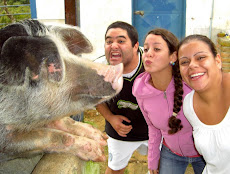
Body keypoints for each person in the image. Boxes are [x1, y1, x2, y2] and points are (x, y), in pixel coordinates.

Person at [132, 28, 206, 174]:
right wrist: (152, 160)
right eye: (145, 49)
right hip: (172, 154)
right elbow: (153, 128)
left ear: (173, 57)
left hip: (205, 155)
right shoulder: (140, 90)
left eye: (157, 49)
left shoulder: (192, 84)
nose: (149, 53)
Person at [96, 21, 149, 174]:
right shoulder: (99, 69)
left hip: (154, 131)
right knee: (114, 170)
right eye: (109, 41)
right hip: (120, 132)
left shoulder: (151, 64)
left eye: (121, 41)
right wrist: (110, 118)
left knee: (158, 168)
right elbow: (95, 98)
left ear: (135, 46)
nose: (113, 46)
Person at [178, 34, 230, 174]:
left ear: (217, 60)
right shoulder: (189, 105)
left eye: (200, 57)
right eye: (184, 62)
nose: (192, 65)